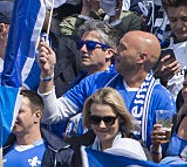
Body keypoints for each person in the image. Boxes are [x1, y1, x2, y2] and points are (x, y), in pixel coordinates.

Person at [37, 30, 175, 145]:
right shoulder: (97, 81)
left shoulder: (164, 99)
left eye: (123, 48)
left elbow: (165, 148)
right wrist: (47, 75)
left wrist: (158, 146)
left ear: (141, 58)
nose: (115, 51)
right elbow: (51, 115)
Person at [68, 88, 146, 160]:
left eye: (108, 120)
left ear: (121, 118)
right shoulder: (80, 149)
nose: (102, 125)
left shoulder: (134, 150)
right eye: (95, 119)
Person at [2, 90, 72, 167]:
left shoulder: (58, 154)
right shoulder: (0, 149)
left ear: (37, 116)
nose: (14, 116)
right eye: (12, 112)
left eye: (20, 111)